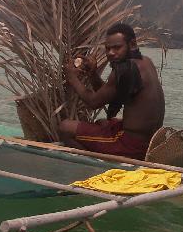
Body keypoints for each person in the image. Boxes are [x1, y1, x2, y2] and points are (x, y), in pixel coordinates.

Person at [60, 23, 165, 160]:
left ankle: (93, 165)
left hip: (132, 145)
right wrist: (93, 74)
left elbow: (93, 102)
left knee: (65, 127)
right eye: (108, 48)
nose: (111, 53)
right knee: (101, 122)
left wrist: (72, 78)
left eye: (117, 48)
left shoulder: (125, 69)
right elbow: (109, 96)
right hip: (150, 141)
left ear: (132, 44)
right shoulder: (145, 62)